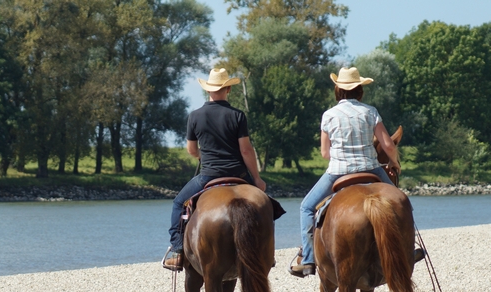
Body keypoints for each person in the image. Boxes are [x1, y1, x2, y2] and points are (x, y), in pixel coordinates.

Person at [289, 67, 401, 278]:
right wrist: (395, 163)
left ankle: (309, 259)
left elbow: (324, 153)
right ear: (359, 90)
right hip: (371, 167)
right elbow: (388, 145)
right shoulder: (370, 111)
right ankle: (406, 248)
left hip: (338, 172)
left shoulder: (329, 115)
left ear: (338, 90)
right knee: (401, 202)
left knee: (306, 207)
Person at [163, 68, 266, 271]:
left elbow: (191, 150)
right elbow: (245, 150)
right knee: (264, 205)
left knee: (178, 204)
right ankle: (265, 252)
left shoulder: (195, 116)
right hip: (238, 174)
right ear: (228, 89)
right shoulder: (237, 115)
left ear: (208, 90)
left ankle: (177, 251)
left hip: (208, 175)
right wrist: (257, 178)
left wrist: (205, 157)